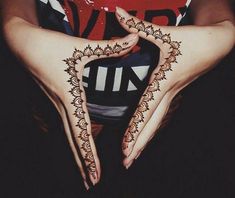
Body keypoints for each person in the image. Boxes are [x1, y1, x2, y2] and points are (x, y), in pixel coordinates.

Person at [1, 0, 235, 197]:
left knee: (140, 177)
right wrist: (15, 22)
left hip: (152, 111)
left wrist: (222, 26)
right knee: (56, 175)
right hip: (57, 109)